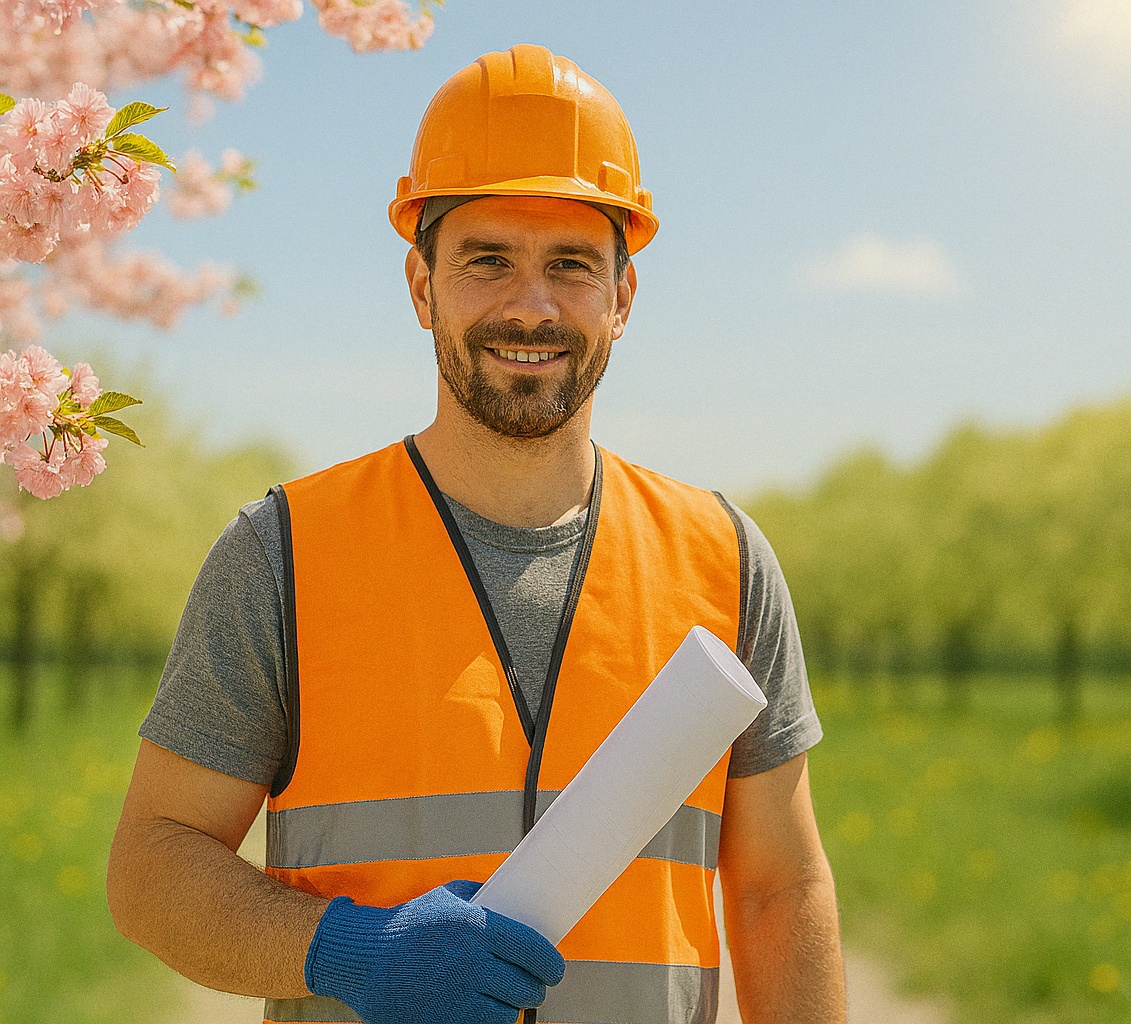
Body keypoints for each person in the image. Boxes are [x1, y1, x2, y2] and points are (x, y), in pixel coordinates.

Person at [105, 44, 846, 1024]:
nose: (529, 304)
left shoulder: (727, 560)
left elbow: (779, 890)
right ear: (423, 286)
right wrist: (345, 950)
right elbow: (153, 863)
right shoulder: (283, 553)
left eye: (571, 266)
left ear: (623, 298)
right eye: (487, 260)